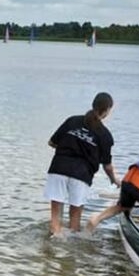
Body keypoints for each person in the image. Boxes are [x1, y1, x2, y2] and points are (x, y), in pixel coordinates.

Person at [44, 92, 118, 235]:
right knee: (75, 218)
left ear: (93, 104)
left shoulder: (72, 121)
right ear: (108, 110)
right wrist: (114, 180)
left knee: (55, 217)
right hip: (81, 175)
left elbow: (52, 142)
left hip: (59, 168)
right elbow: (107, 165)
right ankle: (71, 252)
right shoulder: (105, 135)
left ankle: (53, 246)